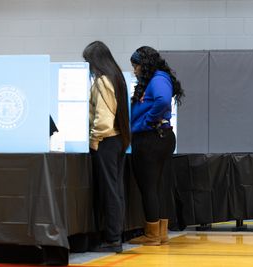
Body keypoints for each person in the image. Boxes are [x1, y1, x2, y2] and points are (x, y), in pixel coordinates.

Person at [128, 46, 184, 246]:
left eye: (136, 66)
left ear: (146, 64)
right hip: (159, 137)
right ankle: (160, 232)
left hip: (153, 137)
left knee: (149, 186)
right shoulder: (158, 78)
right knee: (158, 186)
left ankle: (152, 233)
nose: (135, 70)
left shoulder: (158, 78)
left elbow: (161, 101)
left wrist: (147, 121)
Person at [83, 41, 131, 253]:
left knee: (109, 191)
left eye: (89, 62)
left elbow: (103, 118)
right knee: (116, 190)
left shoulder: (103, 81)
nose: (89, 67)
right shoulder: (117, 77)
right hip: (118, 139)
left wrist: (93, 140)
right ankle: (114, 235)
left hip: (106, 141)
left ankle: (112, 239)